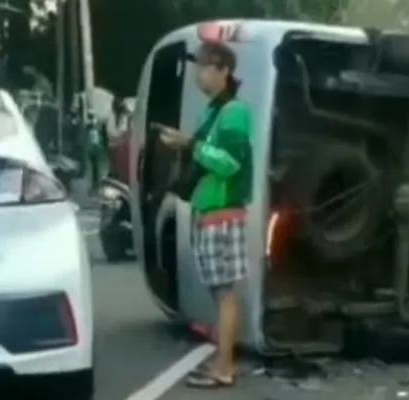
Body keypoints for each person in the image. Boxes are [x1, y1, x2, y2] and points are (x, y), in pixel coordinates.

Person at [156, 41, 252, 389]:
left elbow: (230, 162)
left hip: (222, 212)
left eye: (206, 66)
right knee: (221, 294)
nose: (200, 73)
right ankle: (223, 361)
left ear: (224, 71)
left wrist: (190, 145)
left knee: (224, 295)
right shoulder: (214, 112)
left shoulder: (233, 113)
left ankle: (224, 367)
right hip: (210, 210)